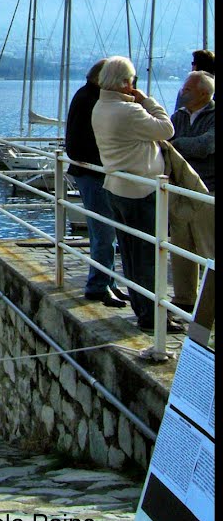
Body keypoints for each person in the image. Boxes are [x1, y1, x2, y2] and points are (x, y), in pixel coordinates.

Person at [91, 56, 184, 334]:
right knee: (147, 258)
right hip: (141, 192)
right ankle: (152, 318)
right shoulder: (128, 111)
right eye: (132, 81)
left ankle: (143, 310)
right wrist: (147, 100)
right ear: (124, 82)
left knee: (131, 255)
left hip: (117, 188)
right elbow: (167, 129)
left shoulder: (100, 107)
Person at [64, 59, 129, 308]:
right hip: (93, 174)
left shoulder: (86, 96)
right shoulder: (92, 101)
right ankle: (99, 286)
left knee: (103, 231)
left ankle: (108, 282)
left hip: (89, 173)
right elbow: (83, 143)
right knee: (104, 232)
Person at [168, 71, 215, 313]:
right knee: (181, 247)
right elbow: (164, 143)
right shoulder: (178, 116)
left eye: (187, 89)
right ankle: (184, 299)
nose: (182, 93)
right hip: (180, 190)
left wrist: (177, 146)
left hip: (207, 190)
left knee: (209, 248)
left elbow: (207, 145)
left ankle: (210, 306)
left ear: (204, 93)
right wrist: (179, 147)